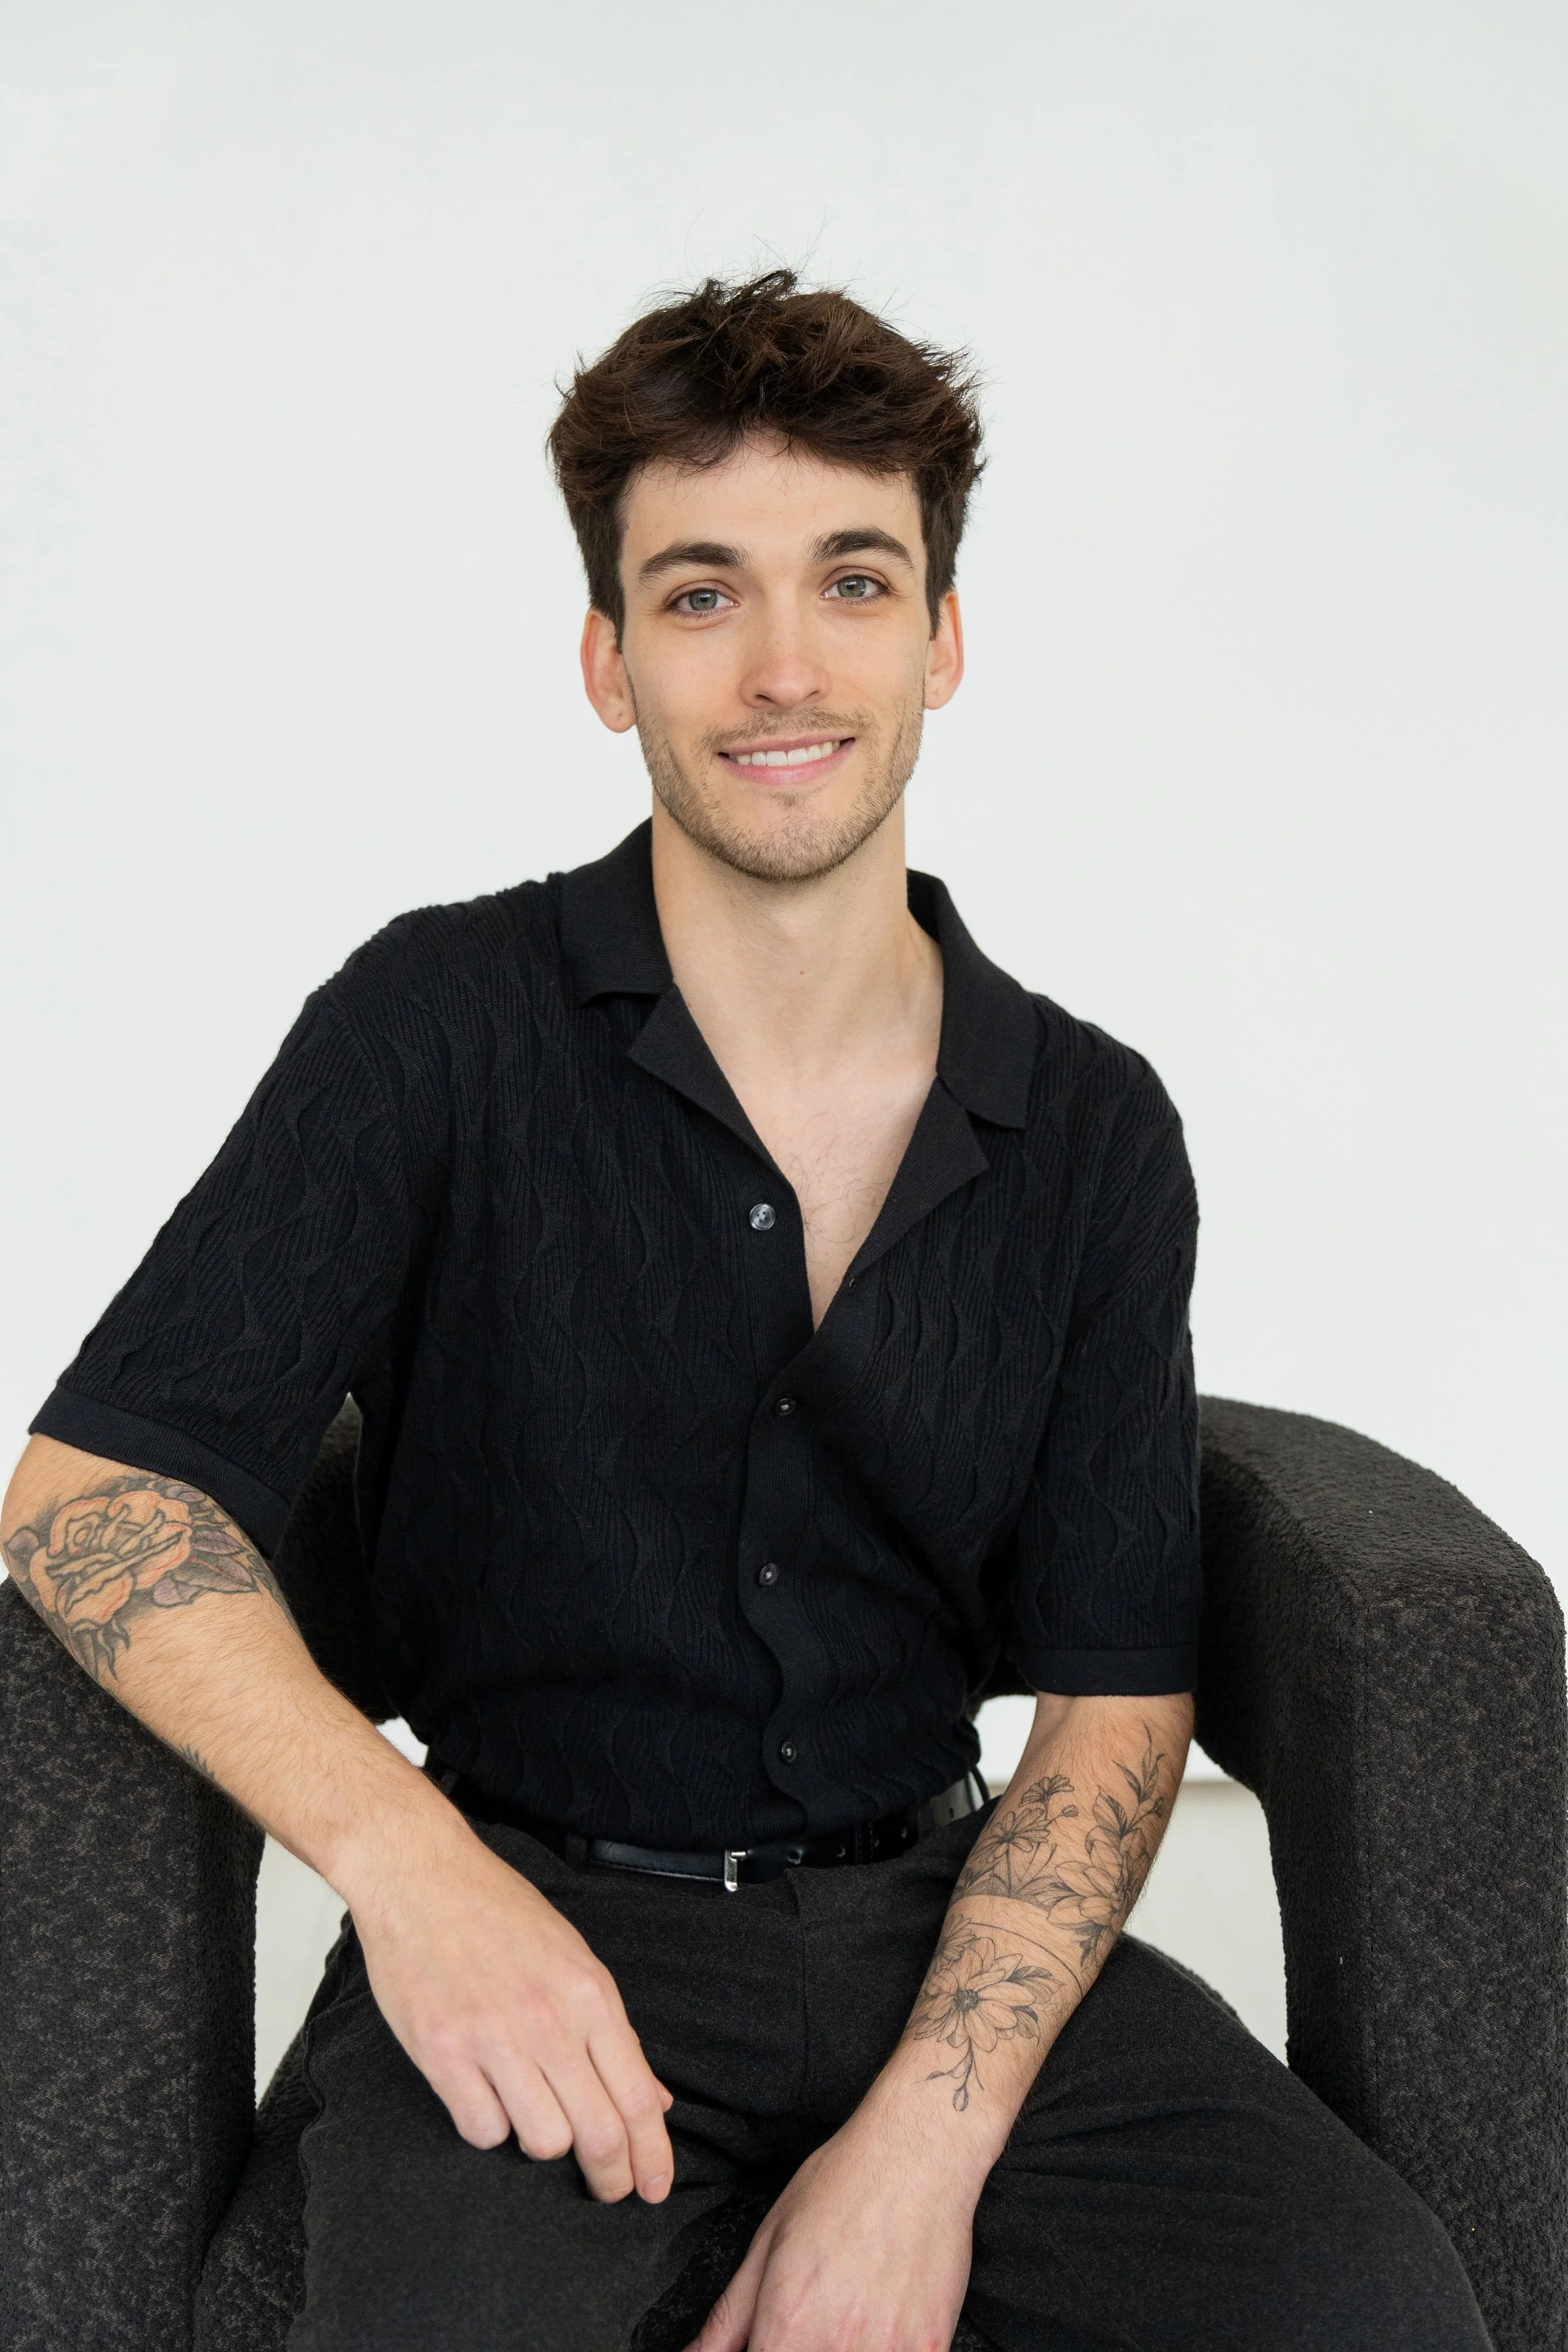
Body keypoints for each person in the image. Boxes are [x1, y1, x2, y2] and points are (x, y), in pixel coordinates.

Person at [1, 271, 1490, 2352]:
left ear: (942, 638)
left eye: (854, 582)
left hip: (941, 1933)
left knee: (1380, 2319)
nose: (785, 665)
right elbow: (88, 1490)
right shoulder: (433, 1027)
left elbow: (1116, 1703)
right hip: (537, 1915)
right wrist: (415, 1883)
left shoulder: (1093, 1129)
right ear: (609, 661)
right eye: (701, 595)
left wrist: (924, 2149)